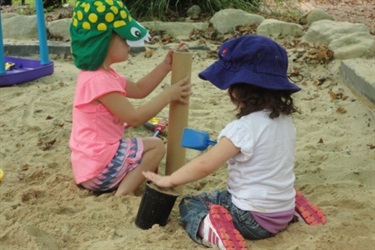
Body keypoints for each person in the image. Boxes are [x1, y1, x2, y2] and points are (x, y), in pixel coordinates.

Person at [143, 35, 301, 250]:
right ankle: (295, 210)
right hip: (281, 211)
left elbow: (205, 165)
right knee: (230, 195)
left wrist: (169, 179)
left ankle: (210, 230)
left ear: (236, 91)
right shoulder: (285, 122)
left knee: (191, 204)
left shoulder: (242, 128)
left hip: (251, 218)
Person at [69, 0, 191, 196]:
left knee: (141, 146)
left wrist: (165, 66)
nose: (130, 44)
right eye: (124, 39)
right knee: (156, 147)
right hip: (100, 167)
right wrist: (168, 95)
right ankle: (123, 193)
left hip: (90, 166)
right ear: (104, 41)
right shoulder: (99, 80)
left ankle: (120, 183)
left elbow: (140, 89)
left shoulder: (101, 74)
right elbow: (134, 118)